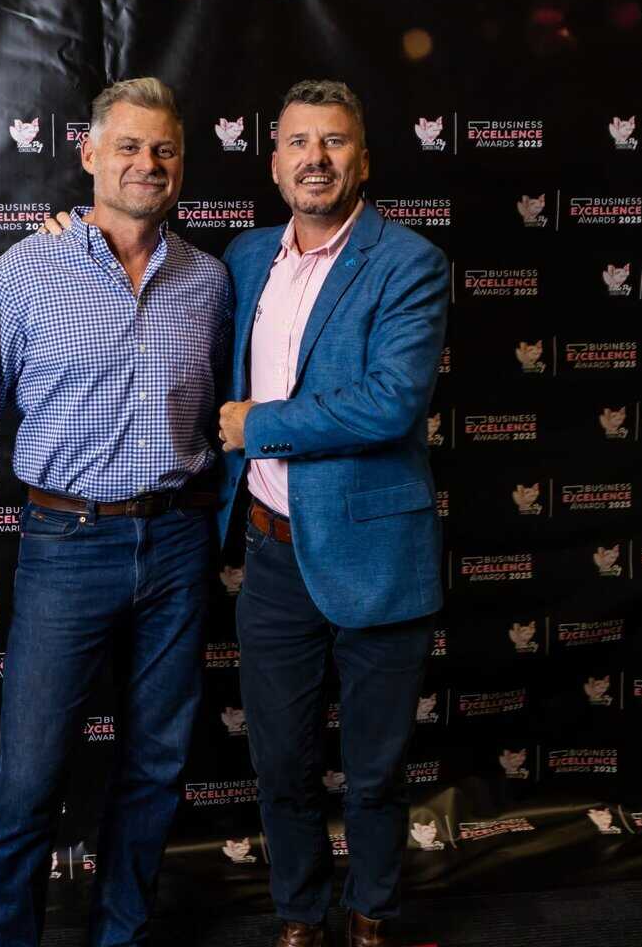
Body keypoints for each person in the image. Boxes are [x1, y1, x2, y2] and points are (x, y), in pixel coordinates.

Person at [0, 77, 233, 947]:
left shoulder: (209, 281)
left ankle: (119, 937)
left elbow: (225, 407)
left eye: (164, 150)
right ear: (91, 154)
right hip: (66, 543)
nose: (147, 163)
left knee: (155, 767)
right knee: (31, 775)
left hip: (177, 541)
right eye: (128, 146)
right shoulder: (27, 270)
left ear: (182, 164)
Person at [217, 80, 448, 947]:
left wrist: (258, 427)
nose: (316, 158)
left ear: (364, 161)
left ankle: (373, 912)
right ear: (275, 164)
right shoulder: (245, 258)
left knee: (376, 770)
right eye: (299, 142)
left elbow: (390, 403)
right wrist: (73, 232)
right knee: (280, 763)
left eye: (335, 142)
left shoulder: (409, 262)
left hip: (376, 554)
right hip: (272, 557)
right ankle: (301, 914)